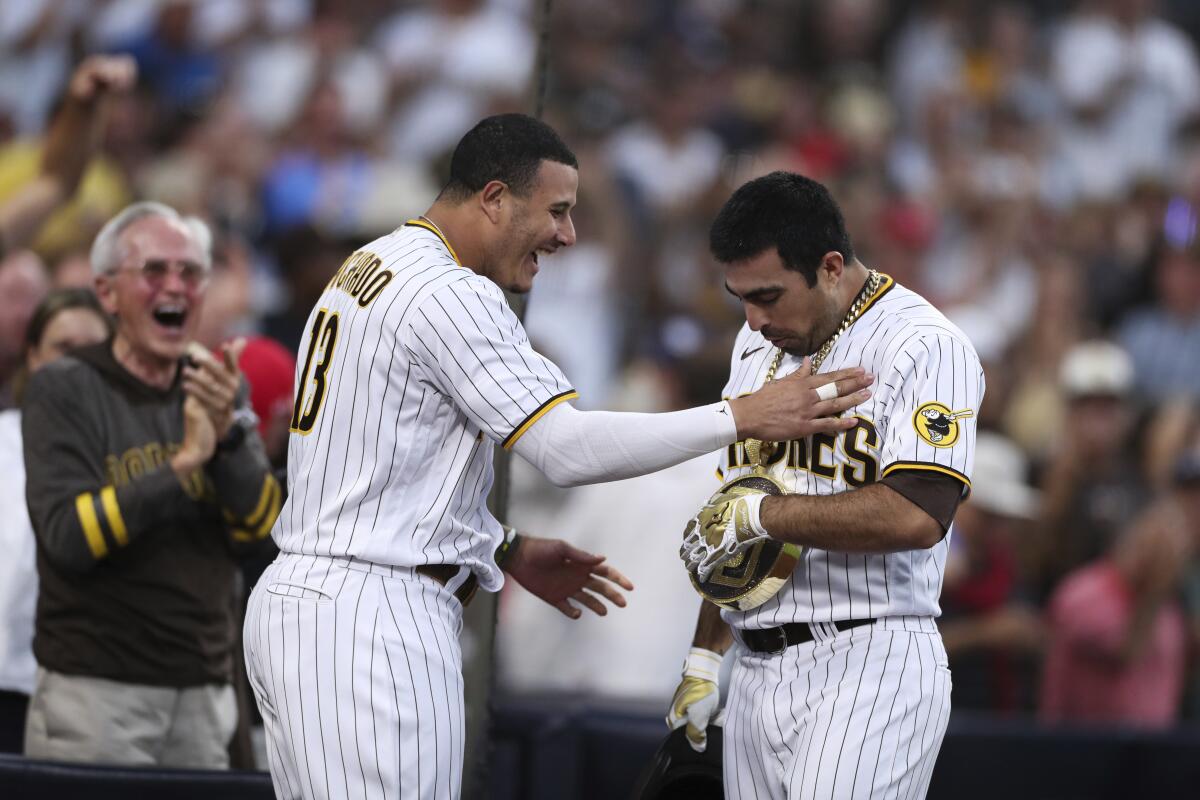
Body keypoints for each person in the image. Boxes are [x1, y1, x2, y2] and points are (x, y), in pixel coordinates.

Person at [242, 115, 873, 800]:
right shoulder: (450, 292)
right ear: (493, 198)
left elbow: (372, 469)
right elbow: (565, 449)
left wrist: (500, 545)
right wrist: (742, 416)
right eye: (557, 211)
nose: (568, 235)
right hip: (368, 617)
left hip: (320, 601)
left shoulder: (372, 264)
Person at [667, 172, 984, 800]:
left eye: (768, 296)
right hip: (755, 669)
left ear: (831, 266)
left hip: (868, 660)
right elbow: (742, 502)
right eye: (741, 300)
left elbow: (918, 515)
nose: (754, 320)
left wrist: (768, 517)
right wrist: (705, 656)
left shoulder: (924, 344)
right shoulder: (755, 346)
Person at [20, 201, 281, 767]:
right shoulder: (65, 388)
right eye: (155, 271)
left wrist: (231, 440)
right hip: (96, 691)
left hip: (204, 691)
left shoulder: (215, 384)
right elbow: (69, 537)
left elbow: (261, 532)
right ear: (107, 292)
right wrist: (183, 465)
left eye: (190, 273)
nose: (176, 287)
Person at [0, 289, 112, 753]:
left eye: (93, 351)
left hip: (80, 687)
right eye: (63, 348)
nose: (78, 365)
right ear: (32, 356)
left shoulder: (128, 455)